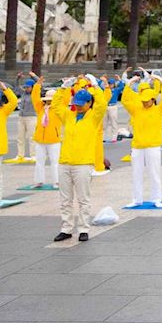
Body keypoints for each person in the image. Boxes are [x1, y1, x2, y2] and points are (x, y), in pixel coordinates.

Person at [56, 82, 106, 242]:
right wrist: (63, 88)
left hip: (83, 164)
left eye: (80, 104)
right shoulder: (68, 116)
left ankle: (84, 229)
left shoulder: (93, 117)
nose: (77, 107)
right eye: (75, 104)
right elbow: (56, 105)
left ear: (89, 103)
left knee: (83, 198)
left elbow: (102, 104)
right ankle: (66, 228)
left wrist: (96, 88)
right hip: (65, 162)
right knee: (65, 199)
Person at [121, 74, 162, 207]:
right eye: (143, 100)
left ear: (153, 99)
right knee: (136, 173)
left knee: (154, 172)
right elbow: (124, 100)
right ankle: (136, 199)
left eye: (147, 100)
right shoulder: (136, 109)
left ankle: (156, 198)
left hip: (153, 145)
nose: (145, 102)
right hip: (138, 145)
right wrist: (129, 84)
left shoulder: (159, 110)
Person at [30, 80, 65, 188]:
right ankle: (39, 181)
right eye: (48, 100)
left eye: (51, 100)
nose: (49, 102)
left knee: (55, 162)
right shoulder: (40, 108)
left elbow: (65, 99)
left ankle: (57, 181)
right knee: (39, 162)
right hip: (40, 139)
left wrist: (64, 88)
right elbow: (35, 98)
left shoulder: (59, 109)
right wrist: (37, 86)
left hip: (54, 139)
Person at [11, 74, 39, 162]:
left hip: (31, 117)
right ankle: (20, 155)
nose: (26, 89)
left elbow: (39, 83)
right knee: (20, 137)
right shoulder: (23, 93)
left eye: (28, 87)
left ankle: (33, 155)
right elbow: (16, 87)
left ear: (32, 87)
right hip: (21, 117)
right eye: (25, 87)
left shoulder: (35, 94)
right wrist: (18, 77)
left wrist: (34, 76)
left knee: (31, 137)